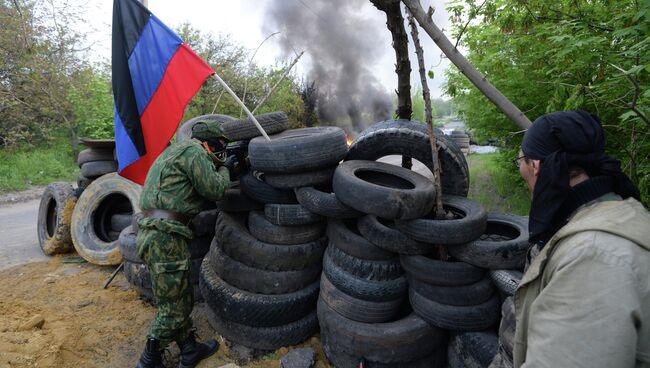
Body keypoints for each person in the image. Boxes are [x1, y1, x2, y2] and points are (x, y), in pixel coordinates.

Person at [507, 110, 649, 368]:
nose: (520, 168)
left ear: (535, 166)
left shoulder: (592, 256)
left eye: (520, 160)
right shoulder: (622, 212)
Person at [135, 121, 231, 368]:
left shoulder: (174, 152)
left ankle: (189, 349)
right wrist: (226, 168)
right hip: (164, 237)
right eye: (220, 147)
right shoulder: (194, 152)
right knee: (172, 309)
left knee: (180, 298)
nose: (221, 152)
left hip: (159, 234)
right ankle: (149, 359)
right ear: (211, 144)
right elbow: (215, 189)